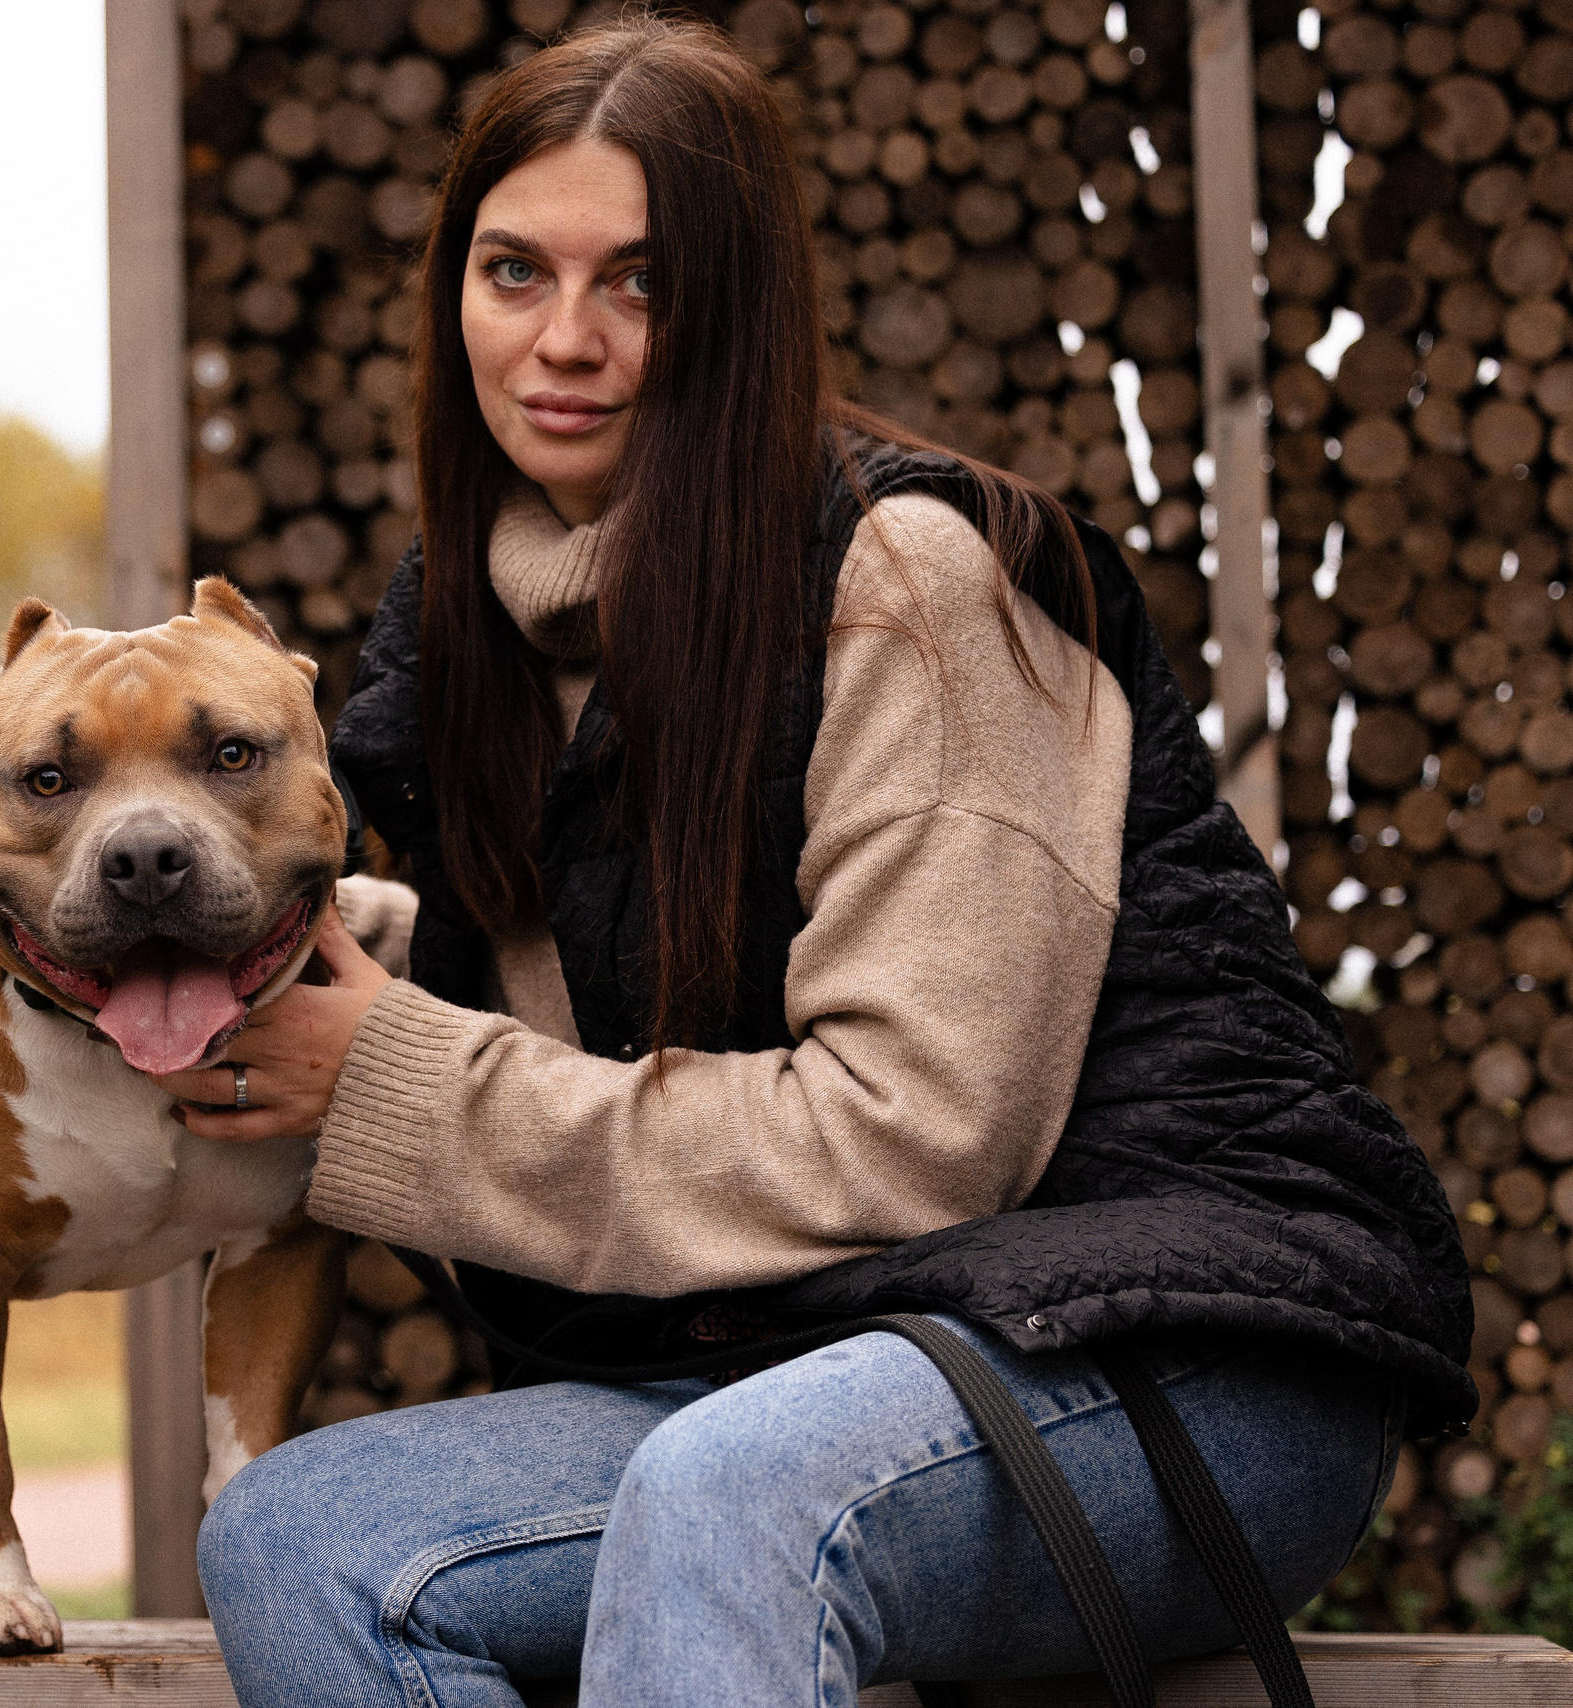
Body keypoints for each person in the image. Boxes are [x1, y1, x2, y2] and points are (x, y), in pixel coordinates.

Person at [149, 14, 1471, 1707]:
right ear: (449, 297)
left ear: (741, 305)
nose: (567, 340)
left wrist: (401, 1084)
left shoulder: (911, 575)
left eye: (642, 280)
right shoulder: (463, 638)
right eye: (511, 272)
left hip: (1178, 1353)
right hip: (816, 1360)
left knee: (731, 1496)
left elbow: (924, 1137)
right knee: (296, 1534)